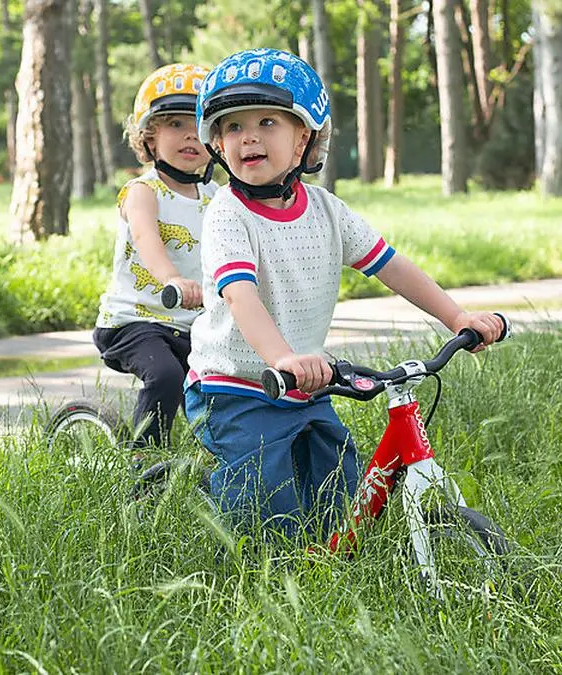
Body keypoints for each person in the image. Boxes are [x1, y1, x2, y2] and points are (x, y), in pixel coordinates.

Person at [185, 48, 505, 539]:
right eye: (232, 127)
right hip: (234, 383)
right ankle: (231, 523)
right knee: (266, 512)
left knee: (338, 485)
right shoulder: (229, 215)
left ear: (305, 142)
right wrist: (283, 357)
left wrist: (456, 315)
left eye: (268, 121)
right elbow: (240, 295)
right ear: (218, 145)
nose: (247, 135)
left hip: (306, 381)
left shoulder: (326, 210)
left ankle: (326, 553)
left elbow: (390, 264)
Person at [93, 63, 219, 451]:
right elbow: (147, 239)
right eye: (175, 124)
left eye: (198, 126)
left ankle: (222, 461)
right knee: (165, 376)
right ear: (149, 136)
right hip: (135, 320)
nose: (189, 136)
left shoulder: (217, 196)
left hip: (192, 323)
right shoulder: (143, 192)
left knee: (226, 382)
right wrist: (172, 279)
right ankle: (145, 466)